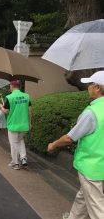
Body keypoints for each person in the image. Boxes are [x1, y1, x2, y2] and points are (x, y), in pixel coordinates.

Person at [47, 71, 104, 219]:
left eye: (90, 84)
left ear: (97, 87)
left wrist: (53, 144)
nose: (87, 88)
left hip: (92, 166)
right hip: (100, 166)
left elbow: (69, 138)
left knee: (98, 209)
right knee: (84, 196)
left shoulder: (92, 112)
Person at [0, 80, 32, 170]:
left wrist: (0, 106)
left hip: (13, 125)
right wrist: (30, 123)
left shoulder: (9, 97)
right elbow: (29, 110)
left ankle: (15, 164)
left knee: (13, 144)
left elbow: (6, 111)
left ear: (12, 86)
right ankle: (23, 158)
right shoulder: (26, 96)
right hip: (24, 125)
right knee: (20, 141)